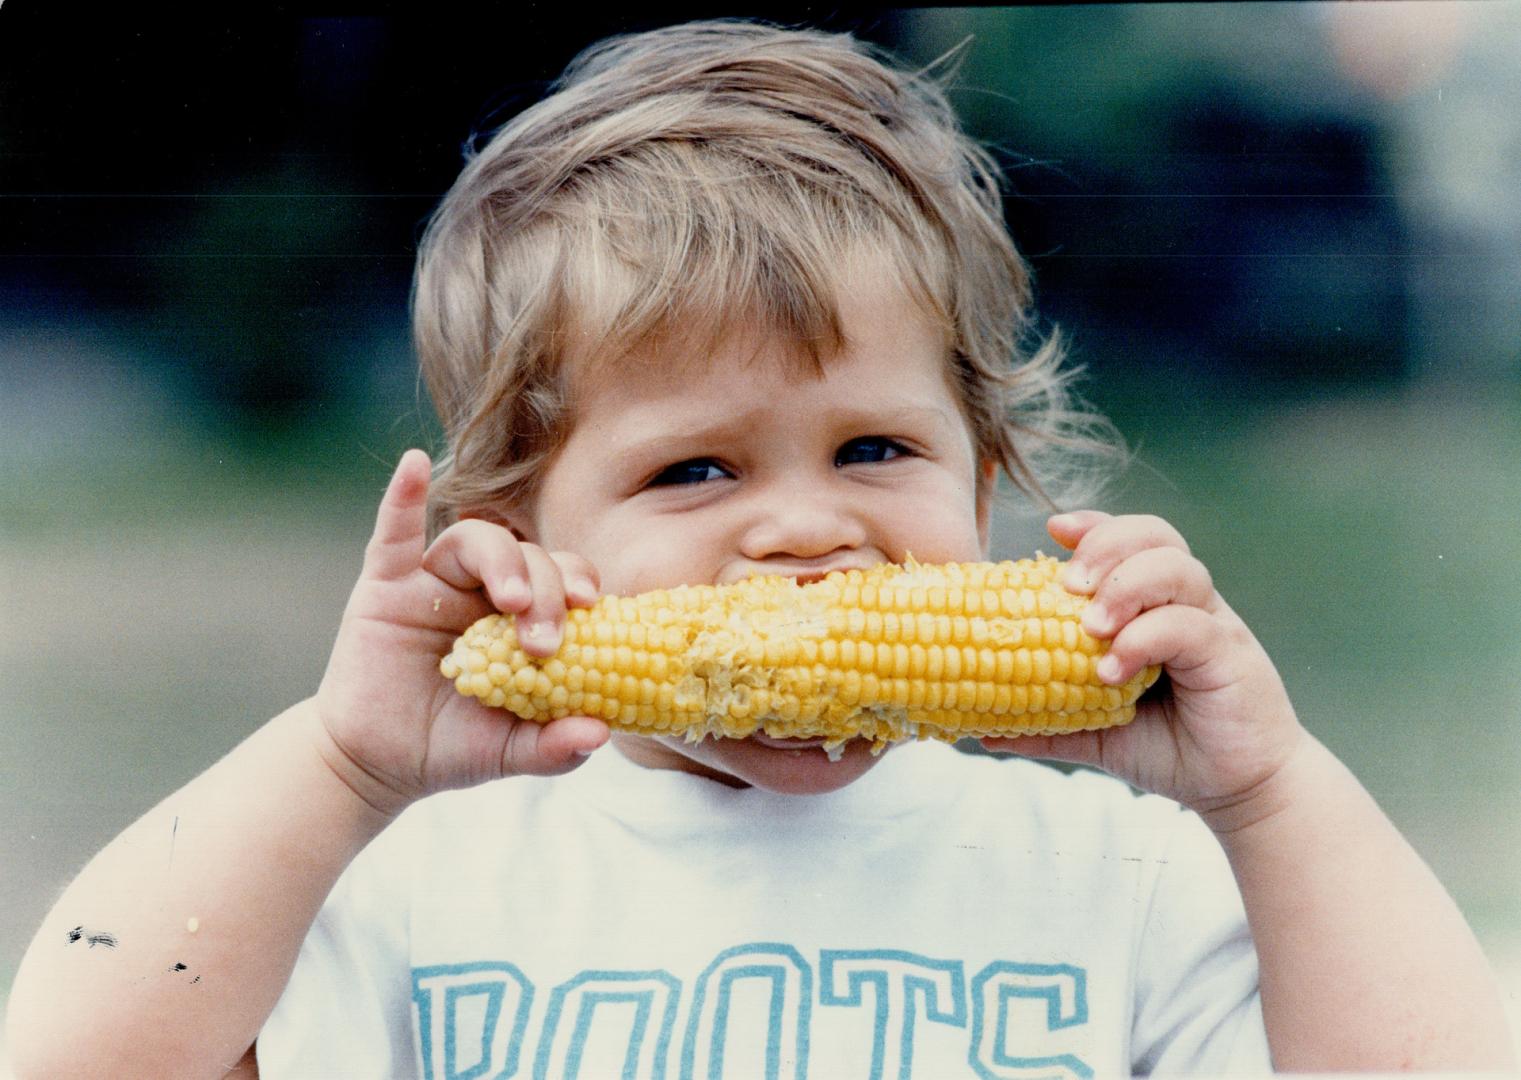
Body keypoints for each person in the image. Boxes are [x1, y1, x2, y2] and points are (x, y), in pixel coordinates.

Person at [6, 20, 1514, 1078]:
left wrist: (1270, 790)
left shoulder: (1121, 875)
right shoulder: (411, 877)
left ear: (985, 476)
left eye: (875, 449)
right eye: (692, 468)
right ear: (517, 537)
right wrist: (338, 767)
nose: (803, 526)